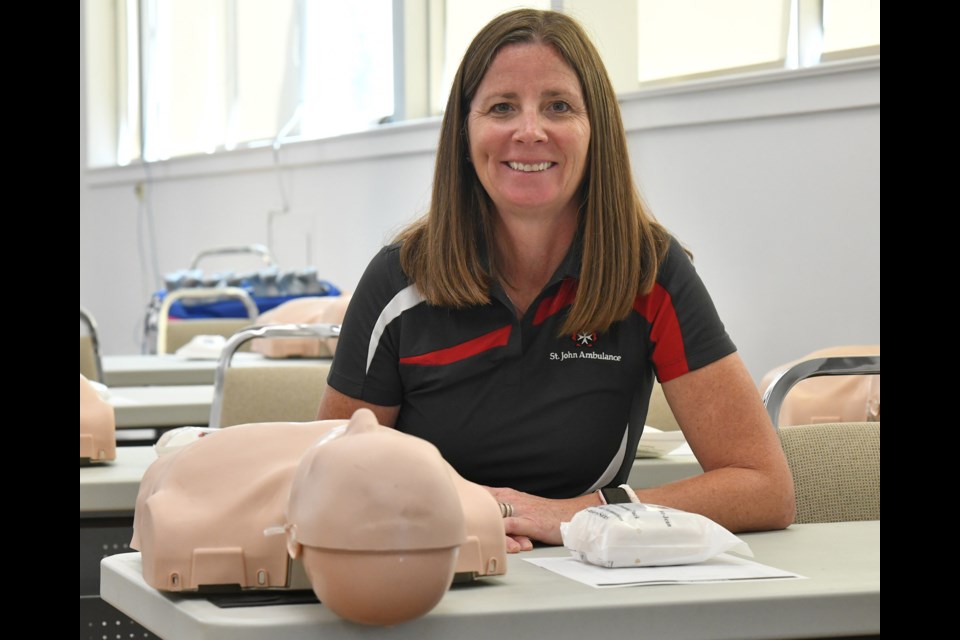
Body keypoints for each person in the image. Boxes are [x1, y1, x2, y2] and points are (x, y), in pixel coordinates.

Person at [317, 8, 795, 552]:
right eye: (501, 107)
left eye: (559, 107)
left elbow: (764, 486)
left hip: (595, 587)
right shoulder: (400, 279)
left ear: (596, 130)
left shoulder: (649, 271)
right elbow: (330, 481)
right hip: (432, 575)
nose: (529, 131)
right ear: (464, 132)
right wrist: (466, 518)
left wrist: (578, 516)